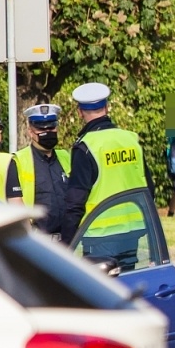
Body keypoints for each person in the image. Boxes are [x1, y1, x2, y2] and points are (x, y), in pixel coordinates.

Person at [60, 83, 150, 269]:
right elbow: (149, 187)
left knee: (101, 294)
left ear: (79, 112)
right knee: (126, 286)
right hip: (133, 233)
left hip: (99, 236)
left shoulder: (86, 146)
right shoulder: (130, 140)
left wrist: (66, 244)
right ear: (107, 107)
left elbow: (75, 202)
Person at [13, 104, 71, 234]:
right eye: (41, 128)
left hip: (69, 237)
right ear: (30, 131)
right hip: (38, 237)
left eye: (51, 127)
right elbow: (14, 202)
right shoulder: (18, 160)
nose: (47, 131)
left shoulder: (66, 157)